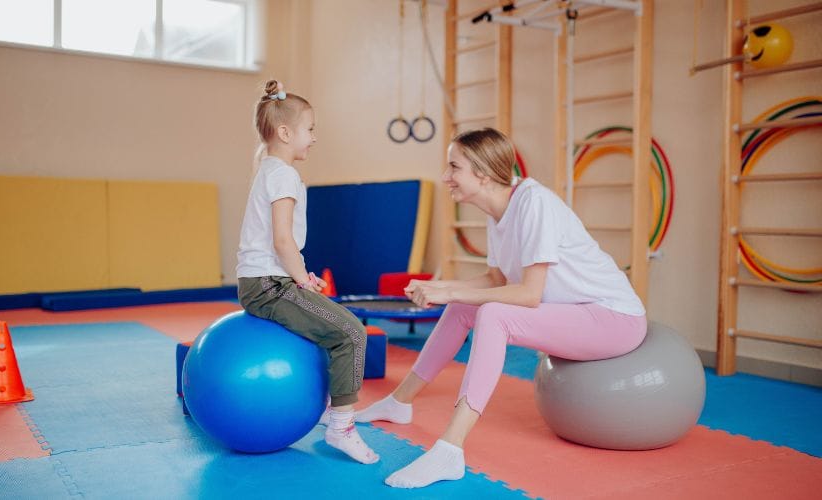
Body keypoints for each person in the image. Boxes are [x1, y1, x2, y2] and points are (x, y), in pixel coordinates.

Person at [356, 127, 647, 487]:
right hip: (578, 313)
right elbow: (496, 280)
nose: (446, 177)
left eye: (453, 167)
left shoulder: (534, 203)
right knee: (467, 307)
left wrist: (451, 293)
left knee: (493, 314)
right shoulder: (498, 213)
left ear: (481, 172)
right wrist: (441, 288)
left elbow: (528, 295)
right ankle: (399, 402)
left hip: (613, 318)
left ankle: (450, 450)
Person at [236, 80, 378, 465]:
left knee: (328, 327)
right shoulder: (283, 175)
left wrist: (302, 276)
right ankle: (342, 426)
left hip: (265, 281)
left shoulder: (269, 169)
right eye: (310, 129)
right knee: (351, 332)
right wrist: (300, 279)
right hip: (269, 286)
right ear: (285, 133)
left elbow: (280, 246)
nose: (314, 138)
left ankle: (324, 410)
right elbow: (283, 241)